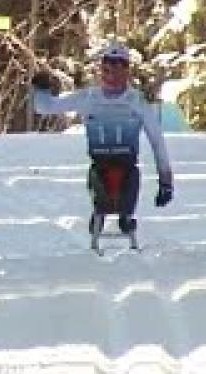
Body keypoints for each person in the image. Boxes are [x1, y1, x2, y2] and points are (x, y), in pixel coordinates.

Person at [30, 42, 174, 234]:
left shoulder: (137, 101)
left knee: (131, 180)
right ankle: (101, 212)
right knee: (99, 185)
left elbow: (157, 141)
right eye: (107, 68)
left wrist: (166, 182)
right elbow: (46, 107)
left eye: (118, 67)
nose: (112, 74)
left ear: (127, 71)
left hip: (127, 163)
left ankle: (126, 216)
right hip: (100, 164)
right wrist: (41, 88)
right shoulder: (88, 97)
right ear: (101, 70)